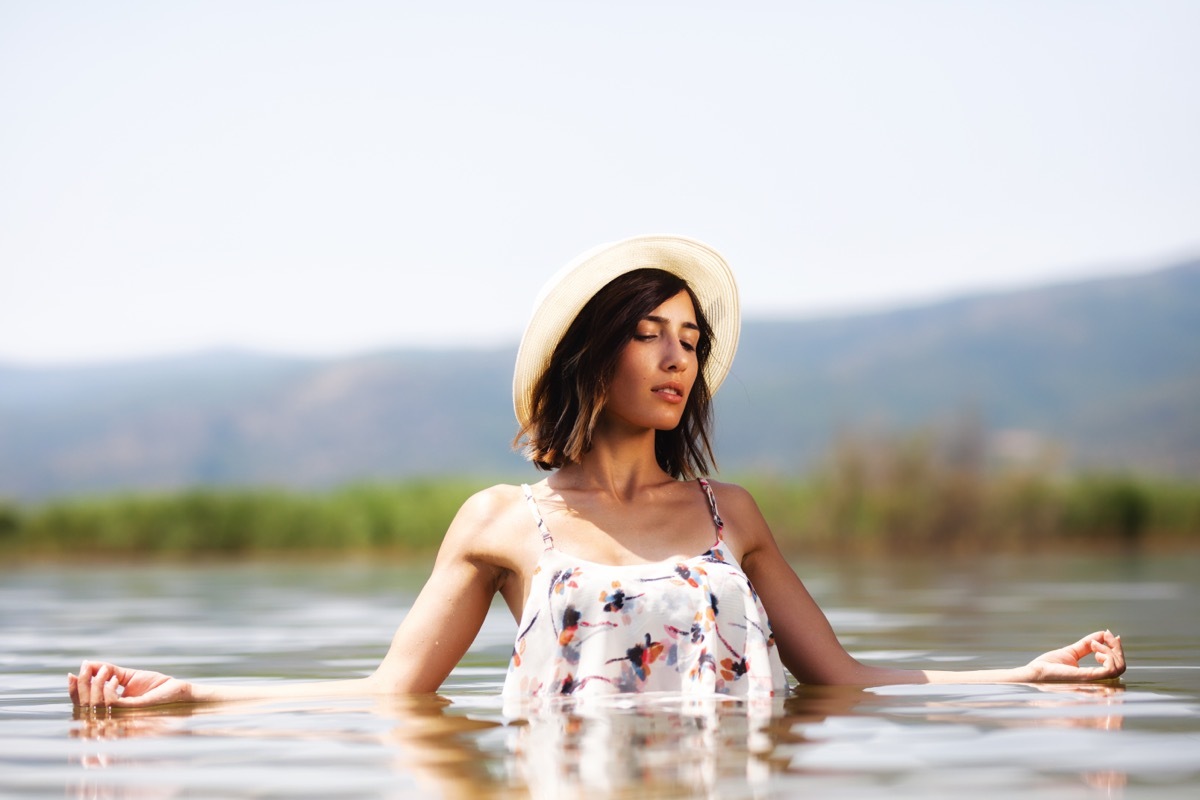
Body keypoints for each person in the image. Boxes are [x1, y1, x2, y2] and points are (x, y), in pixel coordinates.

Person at [68, 234, 1126, 709]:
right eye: (651, 333)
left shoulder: (732, 513)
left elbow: (839, 679)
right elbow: (388, 694)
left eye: (692, 338)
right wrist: (190, 694)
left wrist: (1029, 674)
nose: (678, 357)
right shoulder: (498, 521)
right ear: (595, 351)